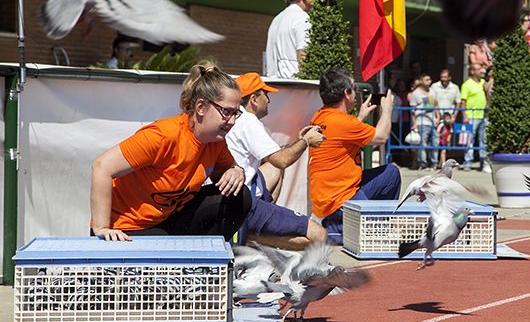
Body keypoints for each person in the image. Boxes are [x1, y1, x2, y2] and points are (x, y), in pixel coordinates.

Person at [90, 62, 250, 241]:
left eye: (236, 113)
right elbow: (101, 166)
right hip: (125, 230)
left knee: (240, 196)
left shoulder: (216, 141)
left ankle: (206, 258)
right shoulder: (162, 136)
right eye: (226, 112)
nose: (232, 121)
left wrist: (236, 170)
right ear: (200, 108)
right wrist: (102, 228)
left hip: (164, 224)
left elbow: (224, 177)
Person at [225, 73, 327, 249]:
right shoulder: (249, 121)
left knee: (274, 167)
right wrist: (306, 142)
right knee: (320, 236)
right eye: (267, 94)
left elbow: (274, 157)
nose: (269, 100)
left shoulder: (234, 117)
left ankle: (253, 228)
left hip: (232, 198)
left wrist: (297, 142)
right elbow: (282, 160)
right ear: (254, 99)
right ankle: (249, 236)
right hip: (244, 205)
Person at [308, 68, 401, 245]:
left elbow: (341, 135)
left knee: (391, 173)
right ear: (346, 93)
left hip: (336, 192)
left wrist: (360, 117)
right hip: (339, 199)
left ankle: (353, 224)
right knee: (371, 237)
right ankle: (333, 229)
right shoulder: (344, 122)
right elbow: (381, 136)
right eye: (353, 88)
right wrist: (387, 110)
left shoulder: (319, 116)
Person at [264, 0, 316, 79]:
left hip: (275, 85)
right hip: (295, 86)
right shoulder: (302, 18)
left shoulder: (277, 19)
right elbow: (304, 55)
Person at [460, 64, 490, 173]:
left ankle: (484, 163)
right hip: (471, 116)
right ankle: (468, 163)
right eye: (478, 69)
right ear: (472, 71)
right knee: (469, 141)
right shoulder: (467, 85)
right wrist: (465, 116)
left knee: (484, 141)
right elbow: (463, 102)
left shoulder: (483, 83)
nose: (481, 71)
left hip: (483, 115)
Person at [409, 73, 438, 170]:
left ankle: (434, 162)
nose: (429, 81)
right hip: (421, 121)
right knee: (423, 143)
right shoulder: (416, 93)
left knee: (434, 142)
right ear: (421, 81)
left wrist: (438, 117)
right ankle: (423, 163)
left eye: (430, 79)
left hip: (432, 120)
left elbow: (436, 105)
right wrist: (414, 123)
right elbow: (412, 110)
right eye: (426, 79)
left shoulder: (432, 92)